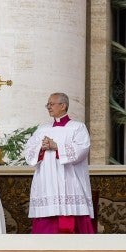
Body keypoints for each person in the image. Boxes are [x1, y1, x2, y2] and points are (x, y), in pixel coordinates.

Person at [24, 92, 94, 234]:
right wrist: (41, 148)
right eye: (47, 104)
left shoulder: (77, 127)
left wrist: (57, 146)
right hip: (46, 182)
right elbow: (29, 151)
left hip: (69, 181)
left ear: (63, 106)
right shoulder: (42, 129)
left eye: (51, 104)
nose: (48, 107)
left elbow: (82, 149)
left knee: (69, 216)